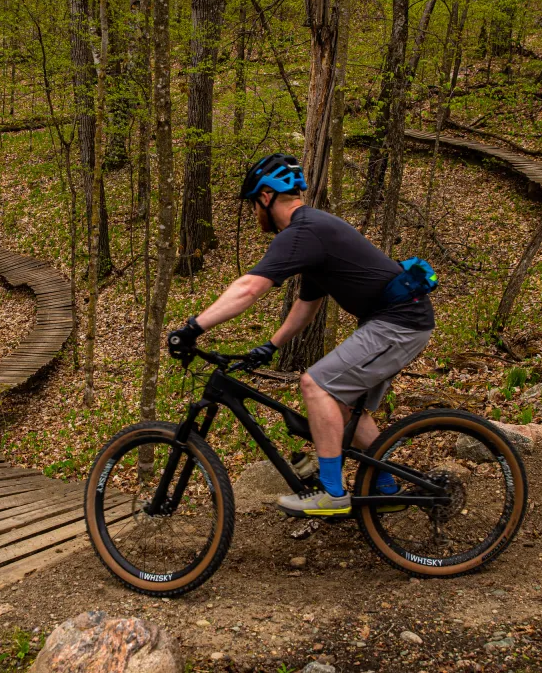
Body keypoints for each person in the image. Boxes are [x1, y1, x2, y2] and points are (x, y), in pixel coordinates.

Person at [167, 154, 434, 517]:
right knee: (342, 405)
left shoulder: (301, 232)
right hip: (396, 320)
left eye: (253, 205)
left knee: (316, 385)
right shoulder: (314, 232)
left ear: (265, 197)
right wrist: (271, 345)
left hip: (397, 322)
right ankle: (387, 486)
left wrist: (193, 327)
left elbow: (248, 289)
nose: (254, 214)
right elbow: (307, 305)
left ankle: (331, 493)